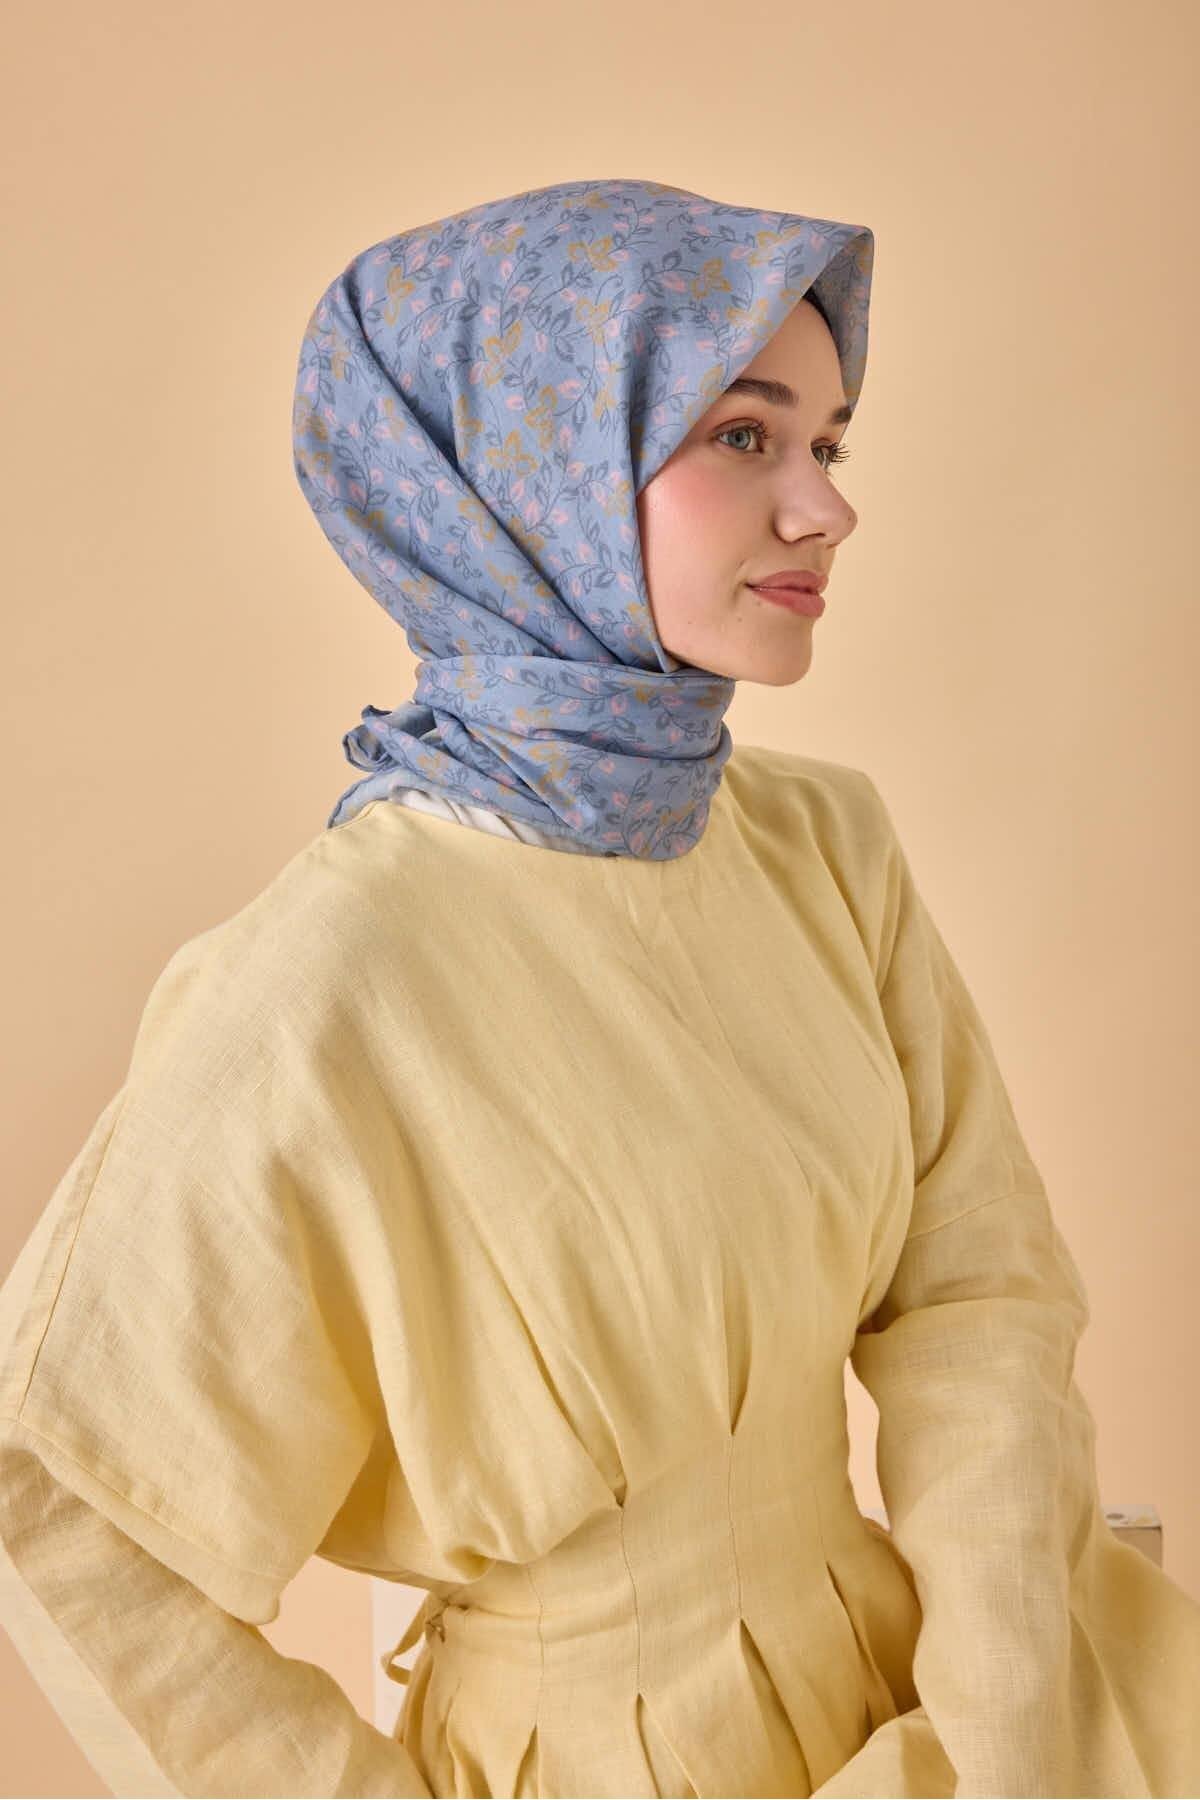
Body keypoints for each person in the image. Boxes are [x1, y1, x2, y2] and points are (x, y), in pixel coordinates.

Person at [0, 174, 1197, 1800]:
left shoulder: (823, 847)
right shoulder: (327, 978)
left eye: (831, 443)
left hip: (931, 1713)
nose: (826, 508)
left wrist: (999, 1731)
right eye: (744, 435)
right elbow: (71, 1501)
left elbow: (978, 1297)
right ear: (530, 474)